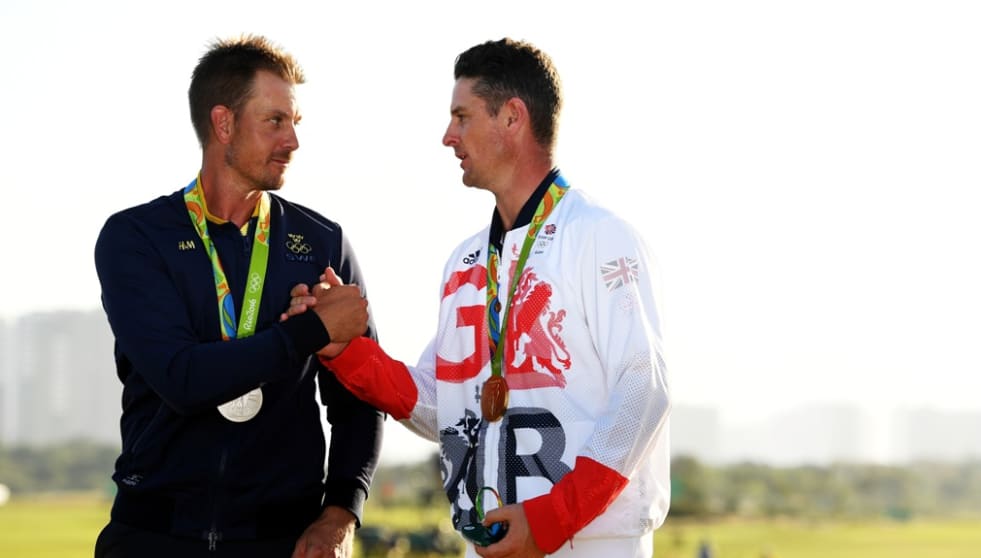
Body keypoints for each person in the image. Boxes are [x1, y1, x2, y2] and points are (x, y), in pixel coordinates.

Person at [290, 38, 671, 557]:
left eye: (461, 116)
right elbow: (439, 406)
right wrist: (345, 350)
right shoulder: (466, 261)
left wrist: (553, 518)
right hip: (489, 540)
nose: (448, 137)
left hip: (592, 542)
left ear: (512, 117)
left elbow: (644, 389)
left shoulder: (600, 236)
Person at [93, 34, 384, 558]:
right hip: (154, 539)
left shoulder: (322, 243)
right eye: (275, 121)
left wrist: (341, 512)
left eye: (296, 123)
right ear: (222, 123)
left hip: (282, 542)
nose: (293, 140)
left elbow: (360, 400)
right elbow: (183, 378)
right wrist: (311, 330)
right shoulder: (136, 237)